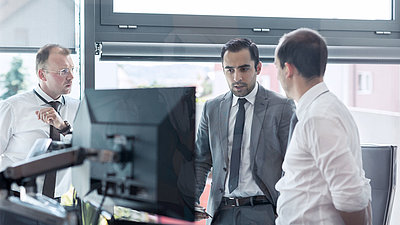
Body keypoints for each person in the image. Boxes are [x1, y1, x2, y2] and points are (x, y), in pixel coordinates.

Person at [274, 28, 372, 225]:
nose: (277, 76)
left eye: (276, 68)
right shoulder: (323, 108)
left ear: (288, 69)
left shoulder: (318, 117)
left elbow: (349, 196)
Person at [195, 38, 295, 225]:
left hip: (264, 211)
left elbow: (293, 166)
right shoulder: (212, 108)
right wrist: (190, 199)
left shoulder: (282, 107)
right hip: (220, 213)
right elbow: (201, 161)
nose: (236, 78)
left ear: (258, 68)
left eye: (244, 69)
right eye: (230, 70)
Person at [0, 44, 80, 198]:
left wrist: (63, 127)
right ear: (42, 75)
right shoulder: (12, 107)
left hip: (56, 203)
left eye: (72, 69)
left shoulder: (78, 108)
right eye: (63, 71)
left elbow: (86, 149)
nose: (71, 76)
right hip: (15, 200)